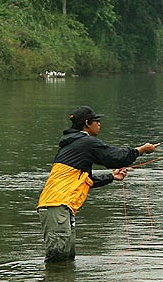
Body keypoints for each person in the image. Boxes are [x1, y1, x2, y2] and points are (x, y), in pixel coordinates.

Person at [37, 105, 156, 263]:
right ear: (87, 123)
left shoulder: (74, 145)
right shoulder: (86, 142)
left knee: (66, 259)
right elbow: (117, 158)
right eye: (96, 121)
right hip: (57, 207)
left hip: (61, 208)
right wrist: (140, 150)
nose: (99, 124)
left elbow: (87, 180)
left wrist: (112, 177)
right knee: (58, 259)